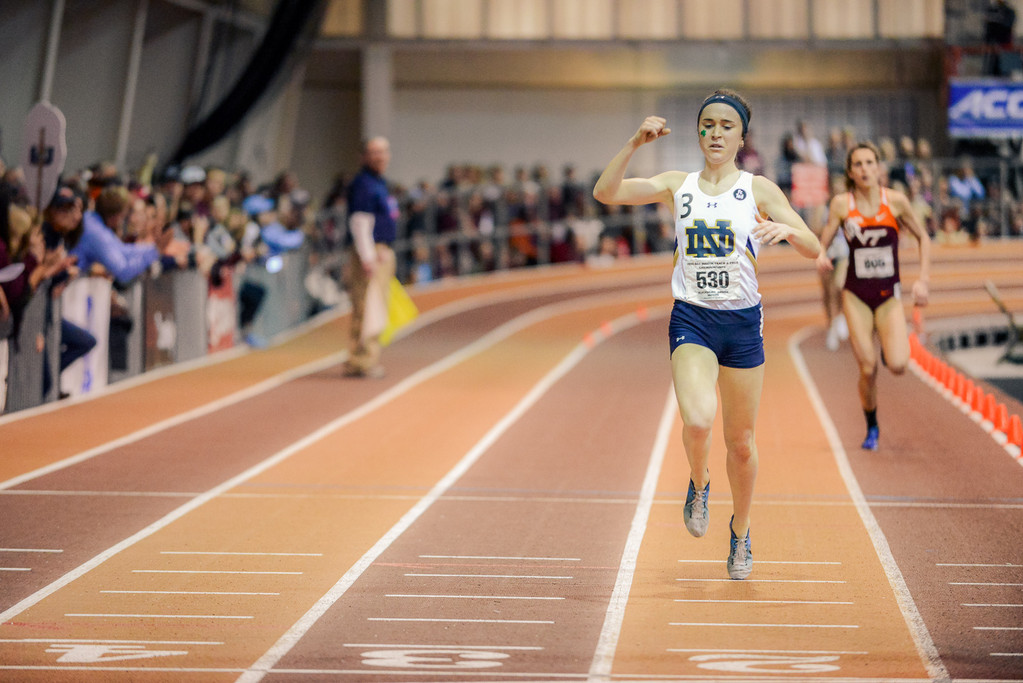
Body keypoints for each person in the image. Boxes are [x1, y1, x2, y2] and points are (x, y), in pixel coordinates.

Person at [592, 90, 820, 580]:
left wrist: (789, 232)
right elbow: (606, 193)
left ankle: (741, 530)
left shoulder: (759, 189)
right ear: (698, 133)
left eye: (726, 126)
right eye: (708, 125)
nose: (716, 133)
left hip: (741, 324)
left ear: (741, 137)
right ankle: (699, 481)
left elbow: (815, 245)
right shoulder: (679, 184)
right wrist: (634, 143)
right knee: (697, 420)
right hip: (692, 318)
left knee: (741, 442)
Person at [816, 142, 931, 451]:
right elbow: (822, 242)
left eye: (870, 162)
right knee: (867, 369)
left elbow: (923, 237)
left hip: (888, 294)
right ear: (850, 172)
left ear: (879, 167)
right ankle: (872, 426)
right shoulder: (842, 204)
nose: (865, 169)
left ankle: (887, 346)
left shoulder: (895, 202)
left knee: (897, 365)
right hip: (855, 294)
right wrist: (821, 256)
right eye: (858, 164)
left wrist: (923, 279)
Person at [342, 136, 398, 378]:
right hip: (371, 252)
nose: (380, 156)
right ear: (364, 156)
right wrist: (367, 257)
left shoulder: (378, 182)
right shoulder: (364, 184)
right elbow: (360, 222)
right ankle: (361, 360)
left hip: (381, 250)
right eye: (374, 152)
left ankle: (366, 358)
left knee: (375, 307)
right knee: (367, 308)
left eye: (383, 151)